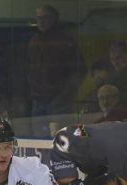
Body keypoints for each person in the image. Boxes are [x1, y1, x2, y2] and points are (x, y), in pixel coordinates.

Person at [27, 5, 84, 137]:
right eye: (38, 18)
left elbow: (79, 70)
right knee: (38, 139)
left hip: (58, 101)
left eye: (44, 18)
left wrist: (64, 95)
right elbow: (29, 68)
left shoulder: (65, 41)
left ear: (54, 19)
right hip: (38, 99)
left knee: (61, 138)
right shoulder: (34, 41)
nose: (41, 21)